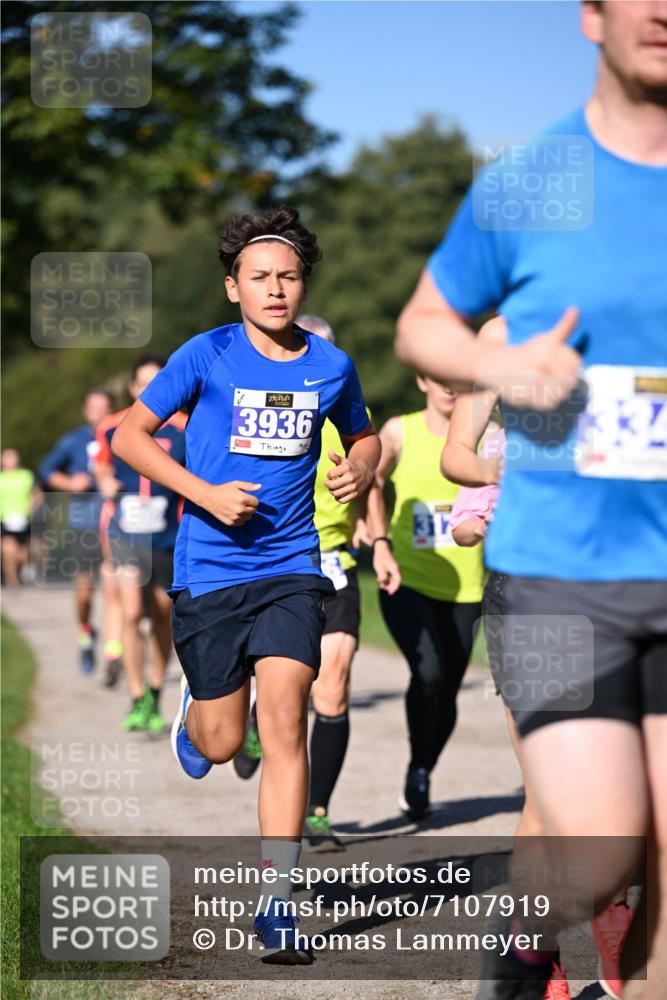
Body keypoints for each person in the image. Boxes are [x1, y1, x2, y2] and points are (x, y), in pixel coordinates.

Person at [395, 3, 667, 997]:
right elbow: (424, 323)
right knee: (598, 851)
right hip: (563, 574)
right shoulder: (536, 181)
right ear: (592, 15)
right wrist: (493, 361)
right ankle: (522, 946)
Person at [110, 206, 380, 964]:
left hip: (292, 565)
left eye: (288, 277)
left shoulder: (330, 365)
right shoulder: (207, 354)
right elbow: (128, 436)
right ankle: (196, 712)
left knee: (287, 717)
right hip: (210, 569)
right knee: (226, 740)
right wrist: (202, 492)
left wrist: (361, 466)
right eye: (259, 278)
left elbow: (363, 433)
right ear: (233, 287)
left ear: (302, 285)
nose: (275, 289)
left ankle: (276, 906)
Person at [231, 313, 401, 854]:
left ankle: (318, 811)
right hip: (277, 561)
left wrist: (380, 543)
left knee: (334, 682)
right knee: (285, 692)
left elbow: (369, 476)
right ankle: (256, 722)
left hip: (334, 562)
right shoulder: (266, 408)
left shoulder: (348, 406)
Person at [366, 376, 486, 821]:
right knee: (429, 672)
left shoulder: (487, 435)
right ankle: (419, 766)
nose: (450, 388)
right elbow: (369, 475)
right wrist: (371, 526)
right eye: (441, 379)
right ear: (420, 380)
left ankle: (421, 768)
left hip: (466, 585)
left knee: (449, 687)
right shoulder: (400, 430)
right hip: (407, 577)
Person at [95, 357, 186, 735]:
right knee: (132, 612)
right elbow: (101, 465)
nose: (150, 390)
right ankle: (137, 699)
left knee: (163, 615)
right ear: (133, 388)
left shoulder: (183, 426)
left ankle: (154, 689)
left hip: (168, 534)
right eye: (143, 384)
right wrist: (103, 482)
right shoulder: (111, 426)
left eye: (158, 382)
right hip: (126, 532)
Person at [38, 387, 121, 677]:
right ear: (85, 410)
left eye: (105, 407)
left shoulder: (120, 435)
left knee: (114, 591)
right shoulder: (73, 441)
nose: (99, 412)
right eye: (94, 407)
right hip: (83, 524)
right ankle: (85, 633)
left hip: (114, 525)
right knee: (84, 593)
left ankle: (113, 654)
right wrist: (70, 483)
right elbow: (46, 470)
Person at [0, 448, 35, 586]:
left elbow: (35, 495)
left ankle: (20, 575)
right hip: (4, 520)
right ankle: (12, 584)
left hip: (23, 520)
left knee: (22, 555)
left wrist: (29, 509)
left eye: (12, 457)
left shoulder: (26, 476)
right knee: (9, 551)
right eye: (6, 457)